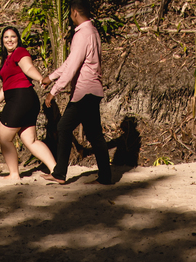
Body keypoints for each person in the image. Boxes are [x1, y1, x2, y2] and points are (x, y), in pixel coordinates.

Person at [41, 1, 112, 185]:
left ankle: (60, 173)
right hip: (92, 90)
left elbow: (72, 67)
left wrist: (53, 92)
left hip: (84, 92)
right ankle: (105, 176)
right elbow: (71, 62)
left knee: (64, 126)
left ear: (74, 13)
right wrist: (51, 76)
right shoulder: (93, 32)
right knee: (95, 135)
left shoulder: (82, 35)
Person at [0, 27, 58, 181]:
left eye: (13, 36)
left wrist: (40, 78)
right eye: (6, 37)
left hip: (20, 98)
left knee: (5, 138)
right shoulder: (7, 60)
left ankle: (13, 174)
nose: (9, 40)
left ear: (18, 39)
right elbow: (6, 86)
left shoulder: (20, 52)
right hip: (27, 100)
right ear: (2, 40)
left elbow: (28, 67)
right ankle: (56, 170)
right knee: (31, 141)